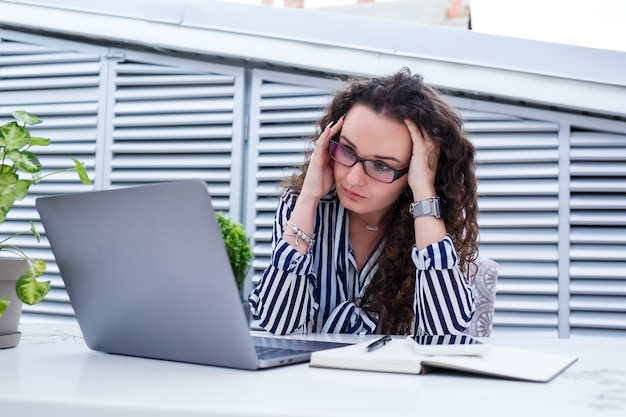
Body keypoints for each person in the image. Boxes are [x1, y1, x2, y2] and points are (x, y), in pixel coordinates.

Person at [249, 68, 479, 336]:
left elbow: (445, 333)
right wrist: (309, 198)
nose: (354, 179)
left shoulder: (433, 222)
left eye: (381, 165)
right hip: (308, 376)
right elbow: (278, 325)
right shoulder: (300, 209)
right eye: (347, 150)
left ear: (415, 170)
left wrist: (424, 196)